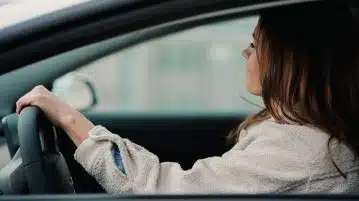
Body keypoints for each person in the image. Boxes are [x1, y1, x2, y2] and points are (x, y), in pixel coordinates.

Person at [15, 1, 359, 194]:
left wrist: (70, 119)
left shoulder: (304, 147)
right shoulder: (307, 135)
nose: (246, 53)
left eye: (255, 45)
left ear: (288, 60)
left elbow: (162, 191)